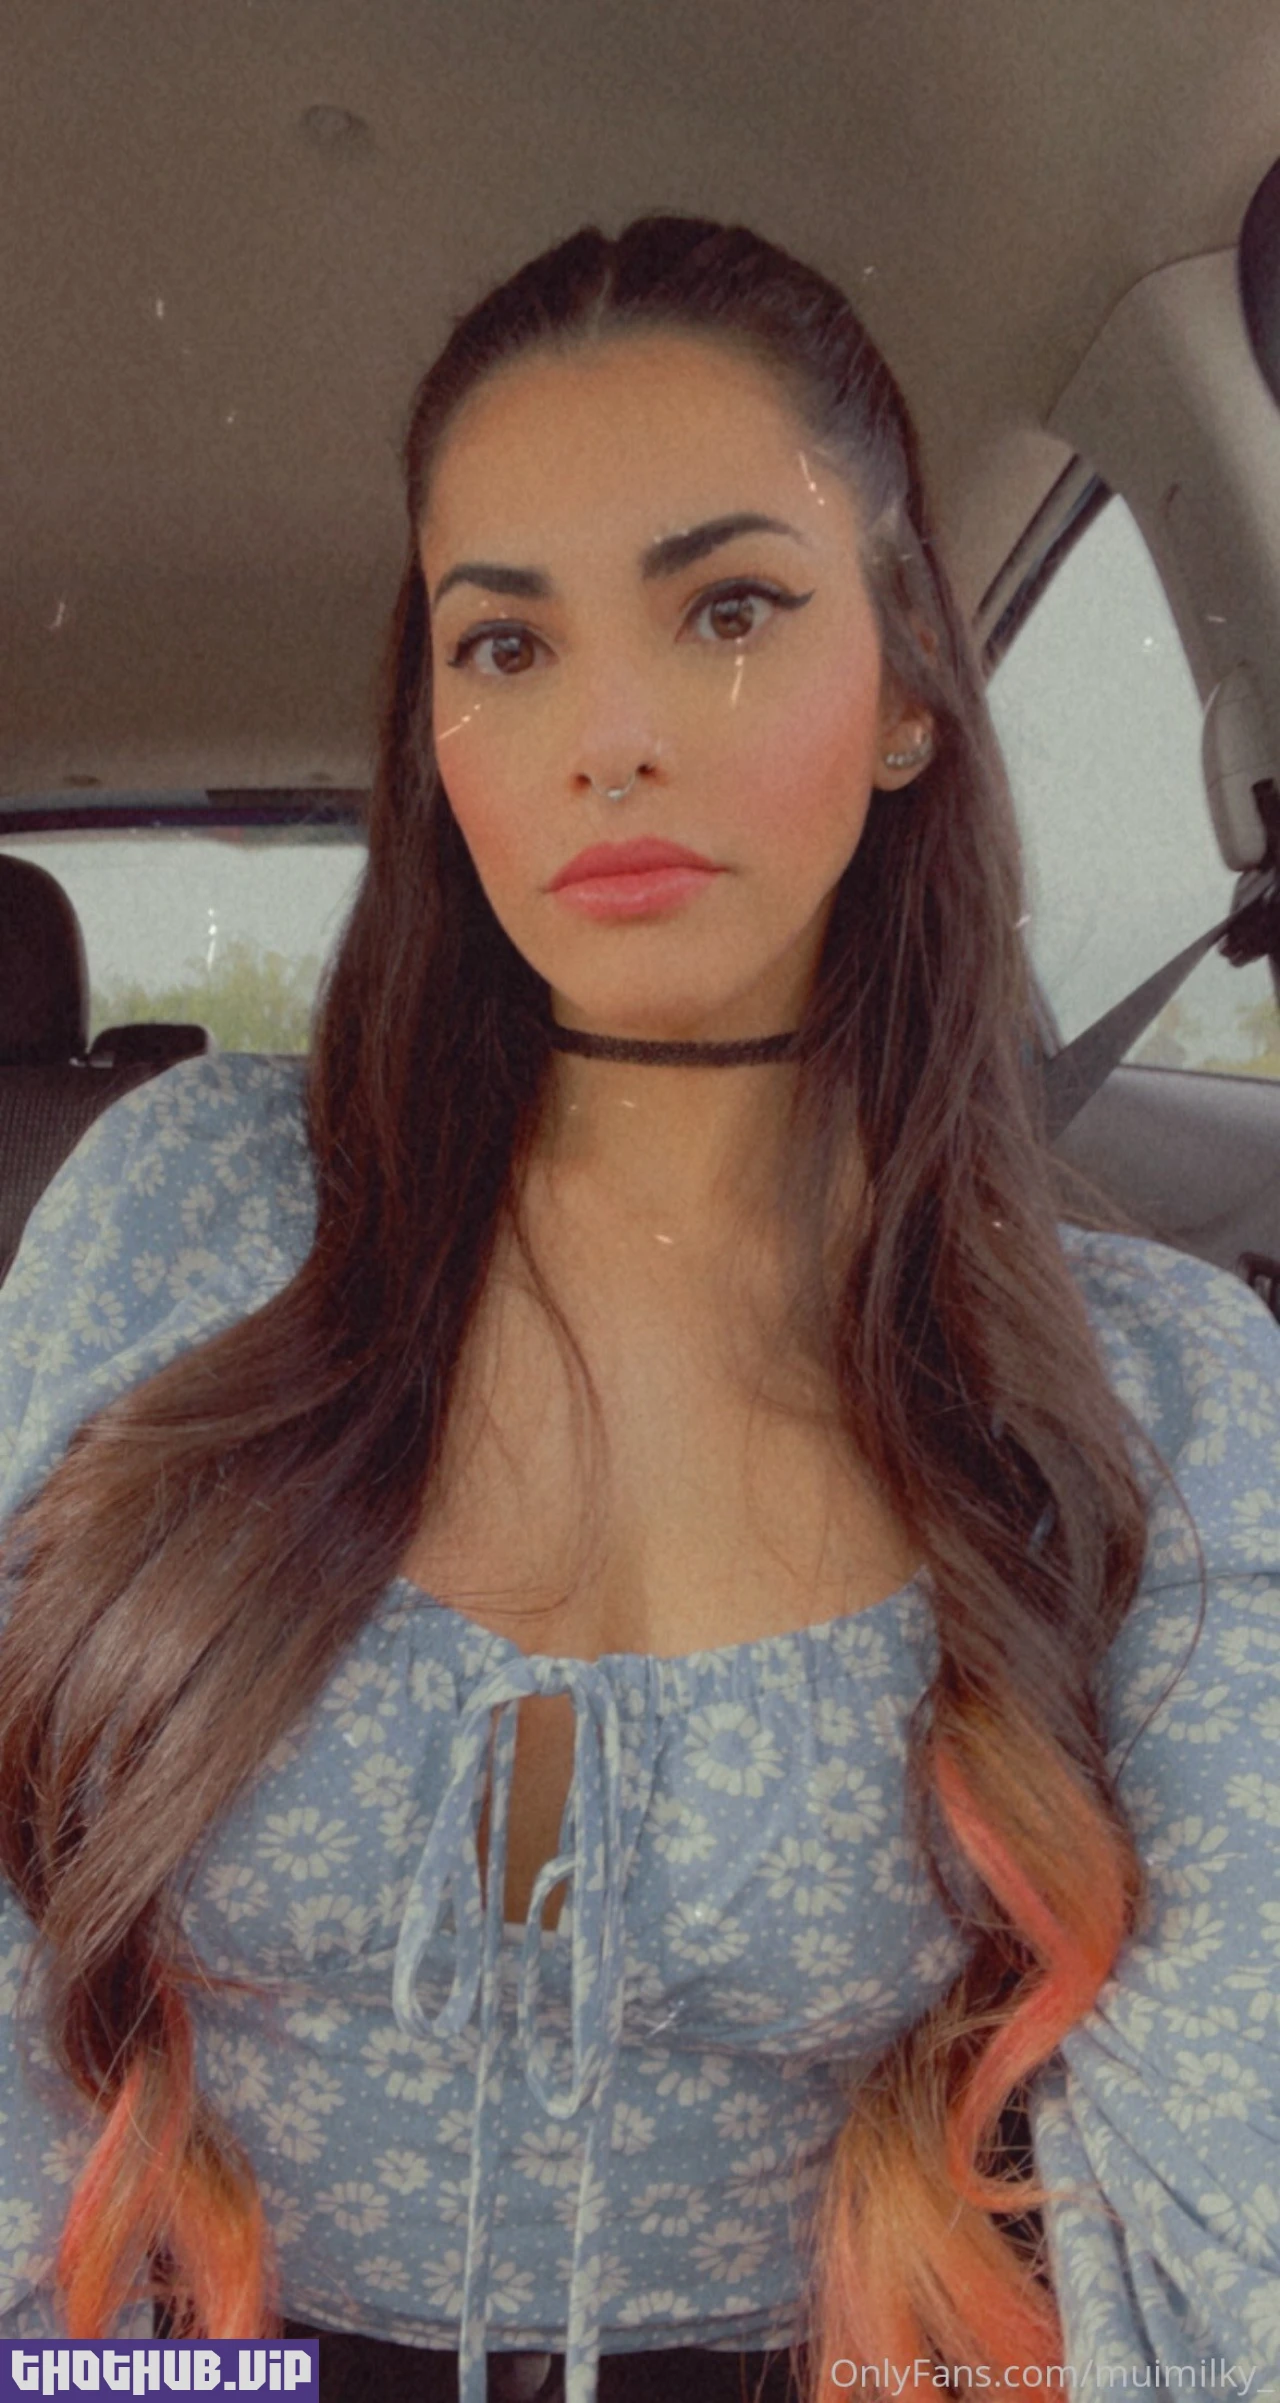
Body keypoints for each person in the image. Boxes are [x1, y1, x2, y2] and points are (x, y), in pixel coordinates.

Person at [1, 215, 1278, 2403]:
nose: (607, 736)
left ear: (905, 692)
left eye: (728, 610)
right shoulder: (185, 1216)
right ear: (437, 732)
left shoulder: (1159, 1390)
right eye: (505, 643)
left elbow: (1224, 2216)